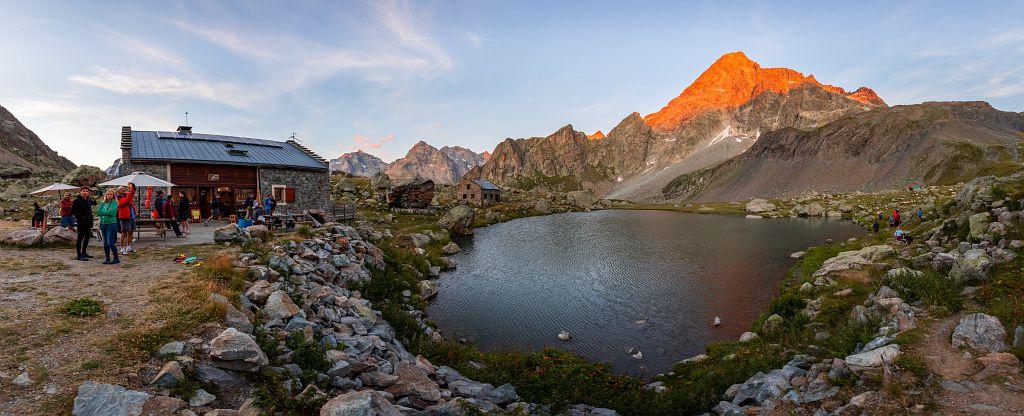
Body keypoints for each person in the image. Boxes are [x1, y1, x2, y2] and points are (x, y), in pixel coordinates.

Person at [70, 186, 96, 261]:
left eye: (87, 191)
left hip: (88, 222)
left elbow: (94, 203)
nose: (85, 193)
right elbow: (72, 211)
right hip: (81, 222)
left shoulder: (88, 200)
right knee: (80, 238)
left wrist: (92, 197)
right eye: (83, 191)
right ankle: (79, 255)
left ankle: (84, 252)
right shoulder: (76, 201)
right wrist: (80, 217)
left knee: (87, 237)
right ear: (80, 192)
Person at [96, 189, 120, 264]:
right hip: (103, 224)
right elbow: (98, 212)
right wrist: (105, 213)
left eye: (111, 194)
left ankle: (116, 258)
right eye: (108, 194)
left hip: (111, 224)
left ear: (113, 195)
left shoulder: (115, 203)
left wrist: (103, 212)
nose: (109, 195)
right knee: (105, 243)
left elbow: (112, 213)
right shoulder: (103, 203)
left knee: (110, 242)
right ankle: (107, 258)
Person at [116, 183, 136, 254]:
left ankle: (128, 247)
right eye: (121, 188)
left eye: (123, 188)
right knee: (124, 234)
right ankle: (122, 248)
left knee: (131, 233)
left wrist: (132, 187)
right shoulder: (119, 198)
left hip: (132, 217)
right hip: (124, 218)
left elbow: (131, 194)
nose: (123, 188)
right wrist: (131, 189)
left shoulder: (127, 195)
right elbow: (128, 198)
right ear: (118, 191)